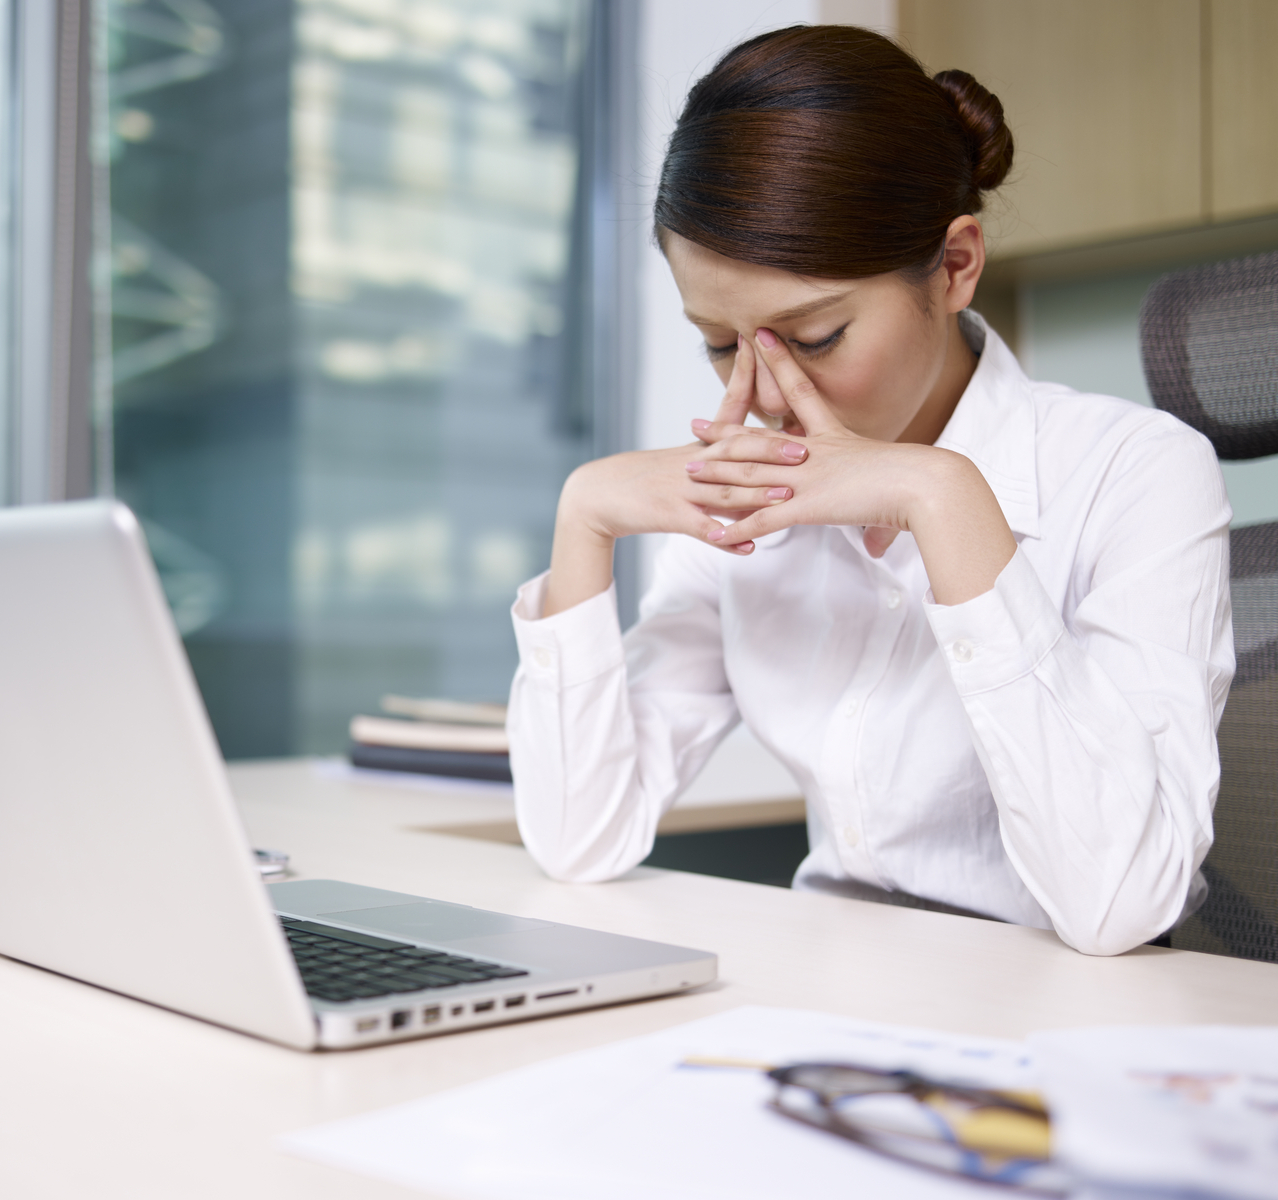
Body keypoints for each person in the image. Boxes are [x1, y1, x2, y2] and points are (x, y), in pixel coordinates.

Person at [504, 25, 1233, 957]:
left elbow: (1120, 905)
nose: (762, 395)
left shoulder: (1137, 473)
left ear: (957, 265)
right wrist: (584, 518)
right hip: (835, 995)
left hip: (1069, 1026)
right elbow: (581, 837)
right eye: (721, 344)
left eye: (813, 339)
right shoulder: (747, 499)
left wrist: (943, 496)